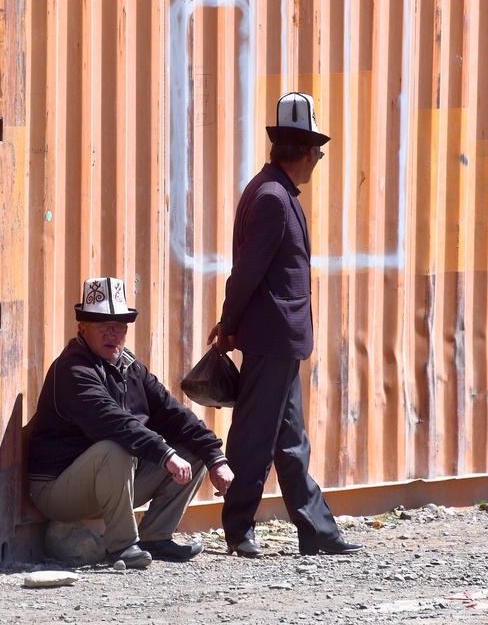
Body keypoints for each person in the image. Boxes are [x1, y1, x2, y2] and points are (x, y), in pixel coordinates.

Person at [207, 92, 363, 558]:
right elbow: (246, 273)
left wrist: (231, 323)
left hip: (280, 340)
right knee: (254, 437)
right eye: (318, 152)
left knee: (291, 440)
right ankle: (239, 530)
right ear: (308, 153)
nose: (318, 160)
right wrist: (228, 324)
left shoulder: (270, 190)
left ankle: (317, 530)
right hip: (272, 337)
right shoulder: (274, 198)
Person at [28, 276, 234, 569]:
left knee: (195, 451)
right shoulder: (73, 368)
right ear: (82, 329)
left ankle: (156, 537)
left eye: (120, 326)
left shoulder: (129, 365)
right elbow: (114, 422)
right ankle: (122, 545)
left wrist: (215, 457)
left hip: (110, 483)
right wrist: (165, 454)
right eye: (102, 326)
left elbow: (172, 412)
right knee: (115, 447)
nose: (112, 333)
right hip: (56, 489)